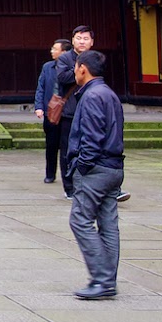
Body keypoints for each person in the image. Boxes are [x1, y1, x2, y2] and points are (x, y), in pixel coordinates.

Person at [66, 49, 125, 299]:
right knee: (108, 225)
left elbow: (92, 137)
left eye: (76, 68)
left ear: (82, 69)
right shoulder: (109, 94)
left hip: (96, 169)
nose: (74, 72)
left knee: (79, 220)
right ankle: (107, 280)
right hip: (114, 168)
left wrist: (82, 165)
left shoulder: (92, 96)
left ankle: (101, 279)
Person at [53, 25, 129, 202]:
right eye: (79, 38)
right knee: (68, 150)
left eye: (86, 38)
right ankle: (70, 187)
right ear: (72, 40)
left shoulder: (96, 59)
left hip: (94, 107)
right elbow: (62, 78)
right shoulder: (65, 58)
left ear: (92, 41)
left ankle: (106, 185)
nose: (82, 41)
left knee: (99, 143)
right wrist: (81, 69)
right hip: (70, 110)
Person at [33, 39, 71, 184]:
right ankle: (50, 173)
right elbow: (40, 88)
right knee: (51, 145)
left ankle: (68, 175)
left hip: (67, 111)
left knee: (67, 146)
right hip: (51, 111)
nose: (52, 51)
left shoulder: (73, 68)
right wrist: (39, 107)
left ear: (64, 53)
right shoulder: (47, 67)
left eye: (55, 49)